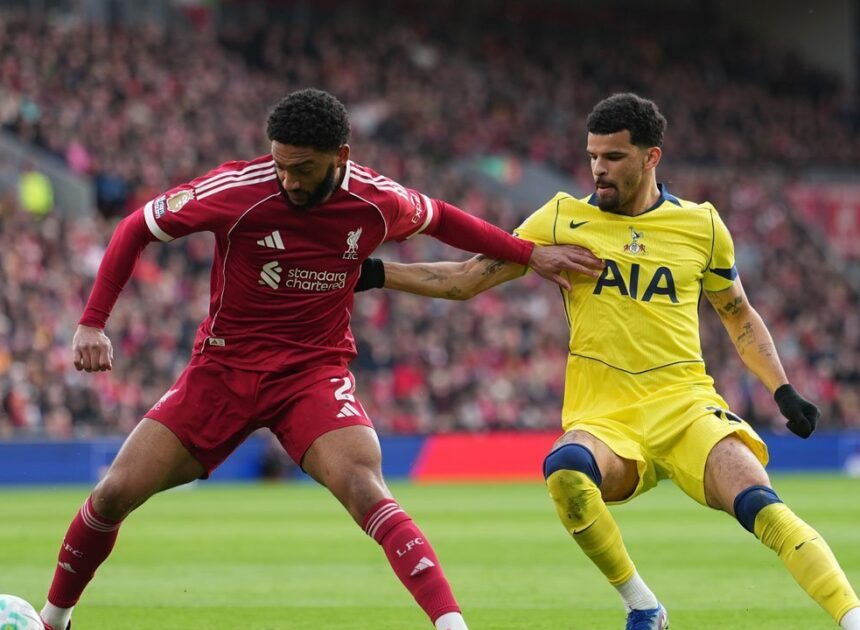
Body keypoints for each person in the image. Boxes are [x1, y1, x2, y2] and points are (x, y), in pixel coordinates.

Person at [39, 88, 598, 630]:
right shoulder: (237, 190)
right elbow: (135, 227)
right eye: (281, 164)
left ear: (341, 157)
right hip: (222, 371)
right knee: (111, 494)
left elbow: (447, 221)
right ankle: (53, 620)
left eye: (303, 168)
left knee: (365, 487)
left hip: (312, 374)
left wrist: (530, 254)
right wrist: (92, 322)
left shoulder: (377, 201)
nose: (288, 179)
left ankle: (452, 625)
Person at [355, 93, 860, 629]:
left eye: (614, 157)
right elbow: (466, 279)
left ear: (650, 158)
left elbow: (738, 314)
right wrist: (379, 273)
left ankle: (850, 617)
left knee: (761, 503)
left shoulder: (703, 226)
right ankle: (644, 605)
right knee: (565, 472)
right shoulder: (561, 218)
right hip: (604, 415)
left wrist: (781, 390)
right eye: (593, 155)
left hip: (686, 407)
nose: (599, 168)